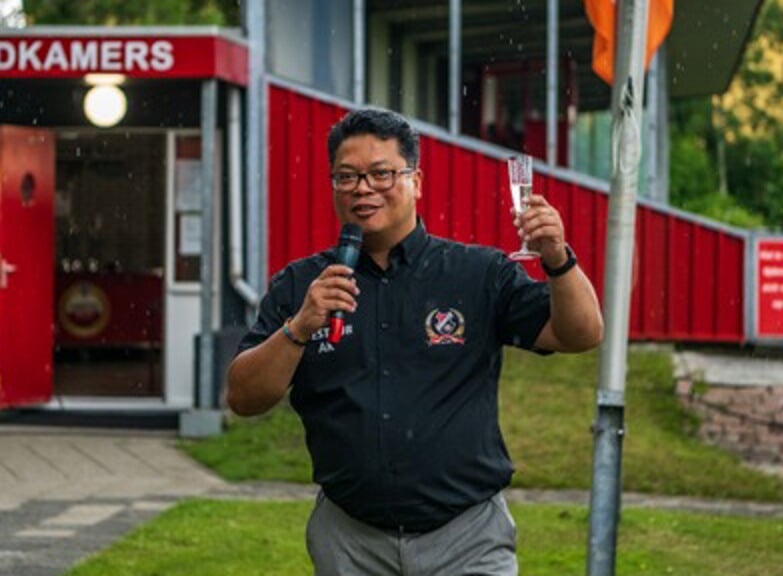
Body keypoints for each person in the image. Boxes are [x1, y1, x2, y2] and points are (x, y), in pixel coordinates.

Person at [225, 108, 603, 575]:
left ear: (416, 180)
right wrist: (299, 327)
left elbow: (581, 334)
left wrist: (558, 259)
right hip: (350, 538)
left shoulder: (477, 273)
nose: (363, 189)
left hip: (466, 536)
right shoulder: (302, 285)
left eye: (381, 173)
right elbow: (242, 397)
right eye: (347, 177)